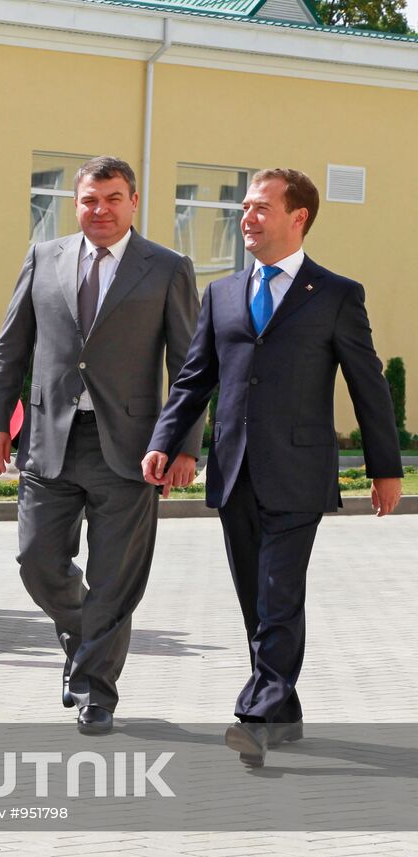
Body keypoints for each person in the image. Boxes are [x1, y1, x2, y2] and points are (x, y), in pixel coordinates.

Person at [143, 168, 403, 767]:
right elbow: (193, 379)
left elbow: (368, 386)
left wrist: (383, 466)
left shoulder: (336, 295)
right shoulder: (223, 294)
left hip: (298, 473)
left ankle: (256, 716)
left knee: (278, 597)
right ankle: (283, 709)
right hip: (234, 470)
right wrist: (166, 438)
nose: (247, 217)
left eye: (261, 207)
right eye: (244, 207)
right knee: (255, 602)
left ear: (298, 217)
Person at [0, 155, 202, 736]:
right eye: (89, 200)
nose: (100, 210)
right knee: (37, 562)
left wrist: (183, 445)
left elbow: (190, 367)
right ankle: (86, 643)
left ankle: (96, 691)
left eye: (112, 198)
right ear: (75, 203)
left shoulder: (168, 268)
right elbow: (10, 350)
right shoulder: (43, 258)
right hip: (50, 441)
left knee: (114, 579)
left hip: (131, 448)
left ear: (132, 201)